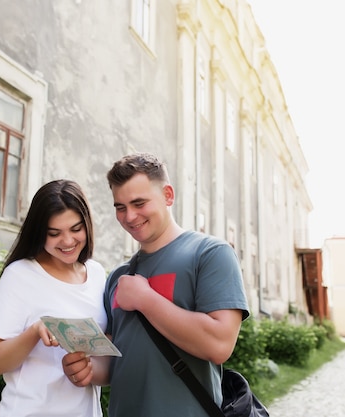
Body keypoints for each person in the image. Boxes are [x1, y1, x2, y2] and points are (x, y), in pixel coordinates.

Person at [62, 152, 250, 416]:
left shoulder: (210, 253)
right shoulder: (118, 276)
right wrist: (89, 369)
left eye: (139, 203)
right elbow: (116, 357)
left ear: (168, 195)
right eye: (120, 207)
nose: (129, 216)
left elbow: (219, 345)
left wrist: (145, 299)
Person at [0, 179, 107, 416]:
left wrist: (90, 368)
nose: (68, 241)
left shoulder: (98, 274)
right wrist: (34, 331)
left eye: (76, 229)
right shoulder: (20, 275)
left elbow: (105, 349)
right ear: (40, 232)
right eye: (54, 233)